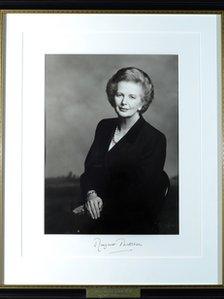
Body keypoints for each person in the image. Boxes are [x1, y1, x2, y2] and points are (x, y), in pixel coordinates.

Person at [79, 67, 168, 234]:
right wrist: (91, 194)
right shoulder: (104, 127)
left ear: (143, 102)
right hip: (96, 215)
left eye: (132, 97)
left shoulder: (154, 139)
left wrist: (99, 202)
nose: (124, 102)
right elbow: (90, 170)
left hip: (131, 224)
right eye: (120, 95)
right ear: (113, 96)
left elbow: (140, 194)